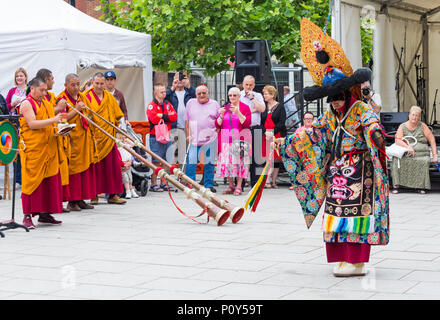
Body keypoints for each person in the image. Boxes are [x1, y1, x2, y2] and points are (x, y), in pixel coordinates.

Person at [276, 18, 389, 277]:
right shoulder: (329, 114)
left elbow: (372, 123)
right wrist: (288, 142)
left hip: (361, 169)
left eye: (339, 97)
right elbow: (314, 132)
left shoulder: (359, 108)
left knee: (357, 214)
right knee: (336, 212)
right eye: (332, 98)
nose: (336, 102)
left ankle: (357, 261)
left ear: (348, 93)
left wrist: (375, 133)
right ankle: (341, 257)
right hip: (338, 169)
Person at [19, 77, 64, 229]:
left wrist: (61, 130)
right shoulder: (26, 103)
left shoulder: (45, 102)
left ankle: (44, 214)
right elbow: (32, 124)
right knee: (32, 182)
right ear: (32, 88)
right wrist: (53, 120)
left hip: (48, 147)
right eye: (41, 90)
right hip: (34, 148)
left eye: (46, 90)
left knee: (48, 181)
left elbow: (51, 124)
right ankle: (27, 216)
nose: (44, 93)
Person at [84, 72, 126, 205]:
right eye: (97, 83)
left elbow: (117, 115)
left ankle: (113, 195)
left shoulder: (109, 96)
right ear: (92, 83)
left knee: (112, 167)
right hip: (94, 137)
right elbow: (84, 115)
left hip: (108, 137)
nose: (99, 86)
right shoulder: (86, 97)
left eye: (102, 83)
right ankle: (94, 195)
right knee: (95, 168)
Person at [57, 73, 97, 211]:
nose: (75, 88)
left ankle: (81, 199)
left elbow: (89, 113)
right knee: (72, 171)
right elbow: (62, 118)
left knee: (84, 171)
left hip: (84, 138)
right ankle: (71, 201)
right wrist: (76, 110)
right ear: (66, 85)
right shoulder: (61, 99)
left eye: (77, 84)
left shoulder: (81, 96)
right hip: (71, 140)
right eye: (72, 85)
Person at [36, 68, 71, 211]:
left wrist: (65, 126)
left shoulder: (51, 96)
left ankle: (56, 203)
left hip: (55, 137)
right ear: (45, 80)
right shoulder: (36, 98)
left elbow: (60, 115)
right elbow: (44, 116)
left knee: (59, 171)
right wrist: (58, 109)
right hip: (42, 141)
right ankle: (45, 206)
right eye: (52, 78)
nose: (53, 81)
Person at [391, 106, 438, 194]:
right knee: (396, 159)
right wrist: (407, 147)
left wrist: (435, 155)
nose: (414, 117)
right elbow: (397, 140)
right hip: (406, 152)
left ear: (419, 117)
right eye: (413, 115)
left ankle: (421, 186)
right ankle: (397, 185)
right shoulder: (403, 126)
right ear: (409, 115)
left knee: (423, 161)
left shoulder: (422, 125)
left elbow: (431, 139)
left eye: (417, 115)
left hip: (421, 153)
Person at [215, 87, 251, 196]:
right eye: (230, 95)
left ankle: (239, 186)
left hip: (240, 138)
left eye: (234, 95)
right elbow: (217, 125)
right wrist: (221, 115)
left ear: (239, 96)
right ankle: (231, 186)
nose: (232, 97)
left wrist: (238, 112)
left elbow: (247, 124)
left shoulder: (245, 107)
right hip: (226, 140)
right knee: (228, 164)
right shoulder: (226, 107)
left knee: (239, 163)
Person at [184, 85, 220, 193]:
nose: (201, 95)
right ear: (196, 94)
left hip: (210, 138)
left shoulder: (214, 104)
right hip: (195, 138)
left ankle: (208, 184)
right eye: (199, 93)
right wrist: (188, 134)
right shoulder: (190, 103)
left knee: (209, 162)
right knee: (191, 161)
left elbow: (219, 121)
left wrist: (215, 134)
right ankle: (191, 184)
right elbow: (187, 121)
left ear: (208, 93)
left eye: (204, 93)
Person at [147, 84, 177, 192]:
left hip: (166, 136)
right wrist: (165, 116)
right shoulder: (151, 105)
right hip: (155, 137)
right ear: (156, 93)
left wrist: (162, 115)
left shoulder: (167, 104)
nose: (164, 94)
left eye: (164, 91)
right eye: (161, 92)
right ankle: (154, 183)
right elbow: (153, 119)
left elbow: (174, 117)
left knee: (167, 160)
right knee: (155, 161)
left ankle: (164, 183)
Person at [240, 75, 266, 188]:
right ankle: (239, 184)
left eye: (251, 85)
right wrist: (253, 110)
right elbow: (239, 111)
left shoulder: (258, 95)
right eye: (246, 85)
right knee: (241, 156)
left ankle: (255, 184)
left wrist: (252, 99)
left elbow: (263, 109)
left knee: (257, 158)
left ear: (254, 85)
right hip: (243, 129)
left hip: (256, 128)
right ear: (243, 84)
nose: (248, 87)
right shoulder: (239, 95)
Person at [166, 72, 196, 166]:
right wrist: (172, 87)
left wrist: (189, 86)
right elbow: (162, 98)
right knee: (172, 153)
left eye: (182, 78)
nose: (180, 80)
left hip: (187, 128)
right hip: (174, 126)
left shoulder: (189, 93)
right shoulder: (170, 93)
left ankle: (182, 178)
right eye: (177, 78)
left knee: (184, 154)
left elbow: (198, 97)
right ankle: (171, 177)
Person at [261, 85, 286, 189]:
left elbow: (282, 123)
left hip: (276, 135)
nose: (264, 96)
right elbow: (260, 121)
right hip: (265, 135)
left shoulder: (280, 107)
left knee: (276, 159)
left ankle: (273, 181)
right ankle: (267, 181)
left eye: (266, 93)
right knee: (267, 158)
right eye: (264, 93)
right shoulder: (263, 106)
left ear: (272, 95)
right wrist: (265, 132)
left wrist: (272, 132)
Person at [6, 68, 28, 185]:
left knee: (24, 148)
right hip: (14, 122)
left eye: (21, 76)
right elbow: (5, 106)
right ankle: (18, 178)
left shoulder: (30, 89)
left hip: (25, 121)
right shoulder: (12, 91)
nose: (19, 78)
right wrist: (12, 104)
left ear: (25, 77)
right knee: (16, 150)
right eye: (17, 76)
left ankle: (26, 176)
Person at [116, 134, 139, 199]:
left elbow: (133, 144)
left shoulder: (127, 145)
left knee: (130, 178)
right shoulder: (118, 147)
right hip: (122, 164)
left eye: (124, 138)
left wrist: (127, 140)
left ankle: (132, 191)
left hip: (128, 162)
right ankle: (128, 191)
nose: (123, 139)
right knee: (125, 178)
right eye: (122, 138)